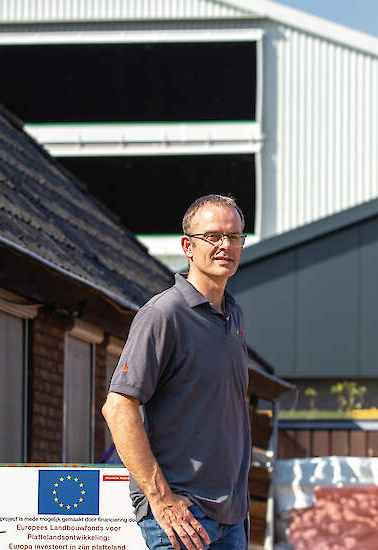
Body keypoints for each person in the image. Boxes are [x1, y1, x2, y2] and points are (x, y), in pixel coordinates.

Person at [102, 195, 251, 550]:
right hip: (182, 517)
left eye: (234, 237)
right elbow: (118, 407)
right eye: (212, 236)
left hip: (230, 518)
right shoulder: (164, 313)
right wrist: (161, 498)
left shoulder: (234, 315)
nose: (225, 245)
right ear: (187, 246)